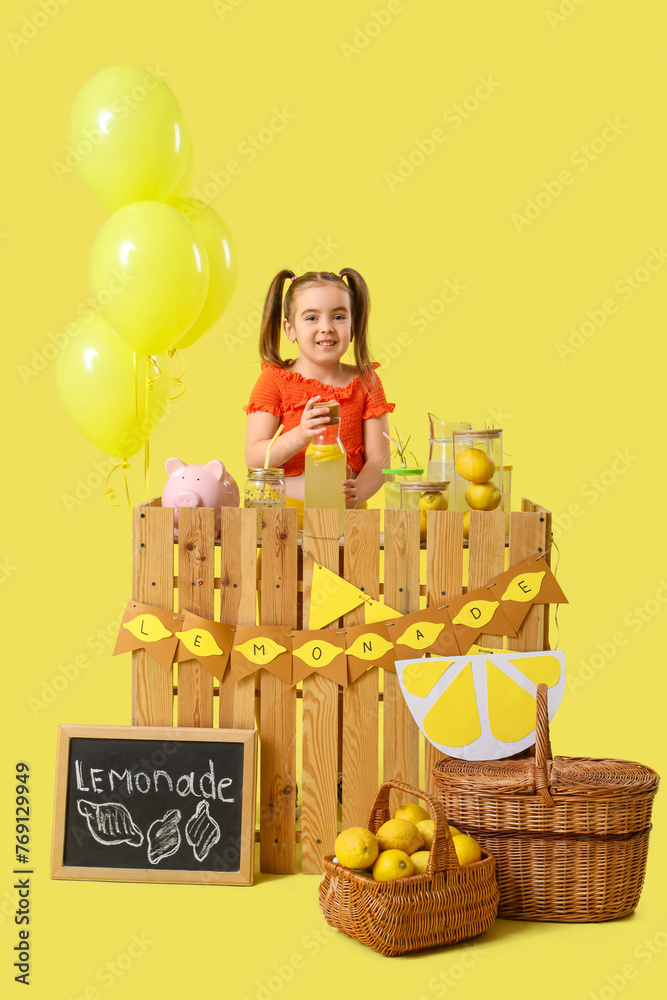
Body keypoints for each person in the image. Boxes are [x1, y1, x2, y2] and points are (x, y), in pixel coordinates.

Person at [244, 268, 394, 507]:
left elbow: (380, 459)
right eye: (312, 318)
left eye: (339, 317)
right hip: (285, 514)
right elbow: (254, 457)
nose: (327, 327)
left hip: (348, 514)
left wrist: (357, 495)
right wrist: (300, 435)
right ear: (290, 329)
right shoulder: (274, 380)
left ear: (353, 326)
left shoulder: (367, 381)